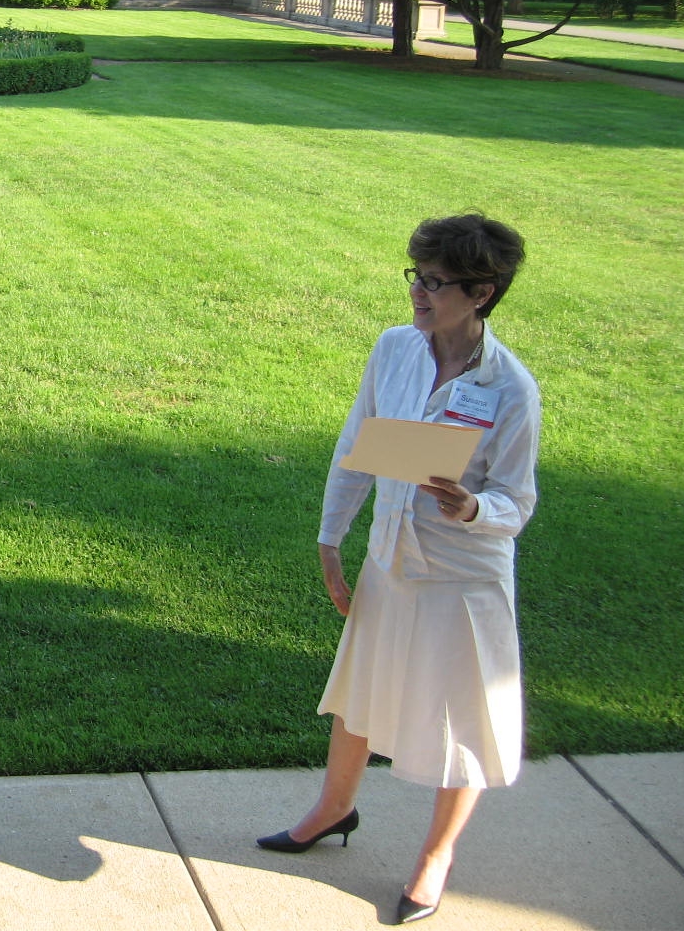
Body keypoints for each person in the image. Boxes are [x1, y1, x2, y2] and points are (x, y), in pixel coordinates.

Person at [257, 214, 540, 926]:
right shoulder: (394, 349)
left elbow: (517, 502)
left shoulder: (511, 389)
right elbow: (357, 444)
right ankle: (332, 809)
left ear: (481, 293)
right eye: (416, 275)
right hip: (389, 559)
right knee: (358, 695)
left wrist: (473, 506)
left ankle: (436, 857)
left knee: (465, 721)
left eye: (435, 282)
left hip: (461, 577)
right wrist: (331, 540)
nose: (418, 291)